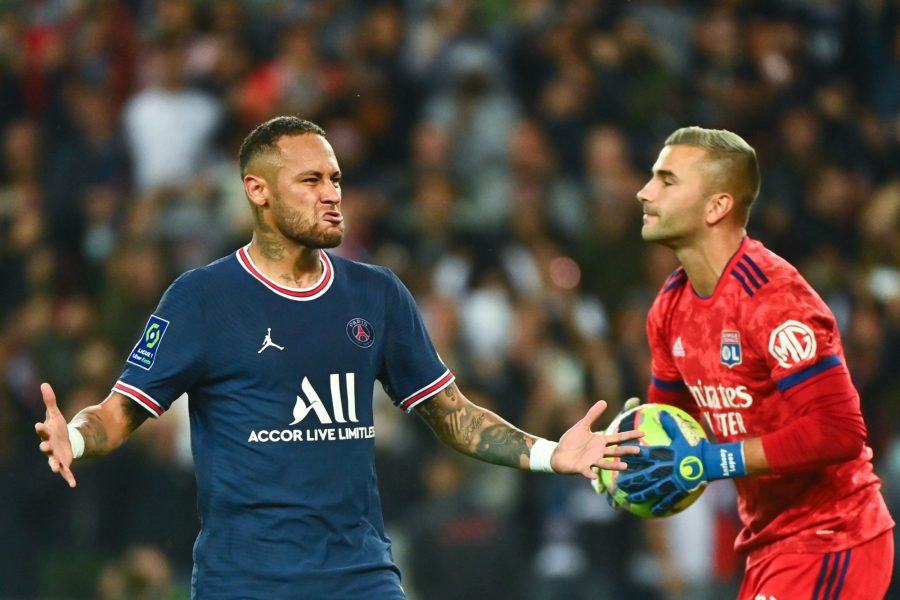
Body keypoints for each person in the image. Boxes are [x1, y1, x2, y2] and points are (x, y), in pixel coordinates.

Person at [34, 116, 643, 600]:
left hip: (360, 574)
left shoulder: (376, 294)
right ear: (258, 191)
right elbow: (118, 413)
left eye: (336, 179)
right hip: (246, 582)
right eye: (311, 181)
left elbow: (452, 414)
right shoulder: (203, 298)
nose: (332, 195)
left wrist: (548, 453)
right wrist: (78, 439)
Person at [616, 126, 894, 599]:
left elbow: (840, 431)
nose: (644, 192)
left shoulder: (773, 298)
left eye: (666, 180)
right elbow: (671, 428)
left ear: (716, 206)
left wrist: (713, 460)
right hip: (769, 547)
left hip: (833, 536)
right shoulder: (668, 308)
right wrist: (628, 460)